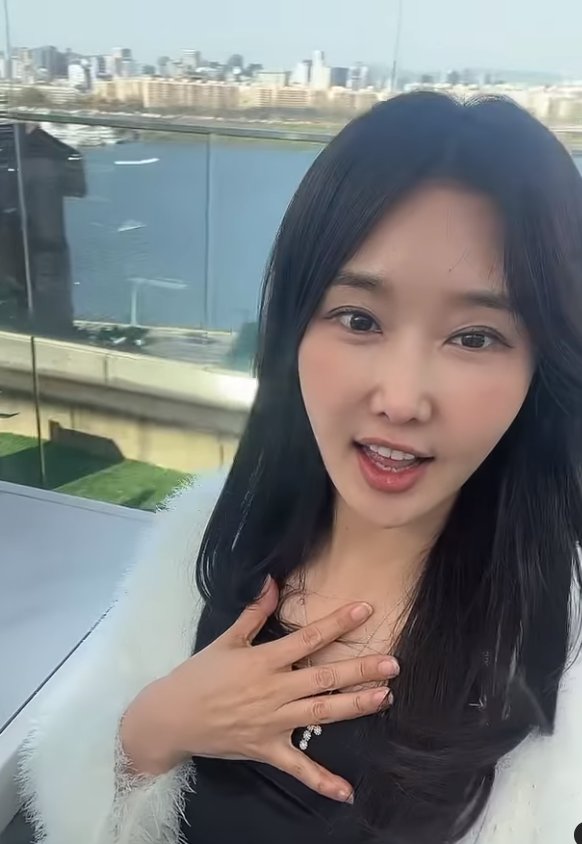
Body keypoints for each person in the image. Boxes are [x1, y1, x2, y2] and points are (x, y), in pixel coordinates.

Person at [19, 92, 582, 844]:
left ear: (542, 365)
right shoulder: (206, 545)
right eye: (359, 319)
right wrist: (156, 727)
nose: (401, 399)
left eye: (475, 337)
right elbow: (77, 795)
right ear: (294, 327)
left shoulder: (559, 649)